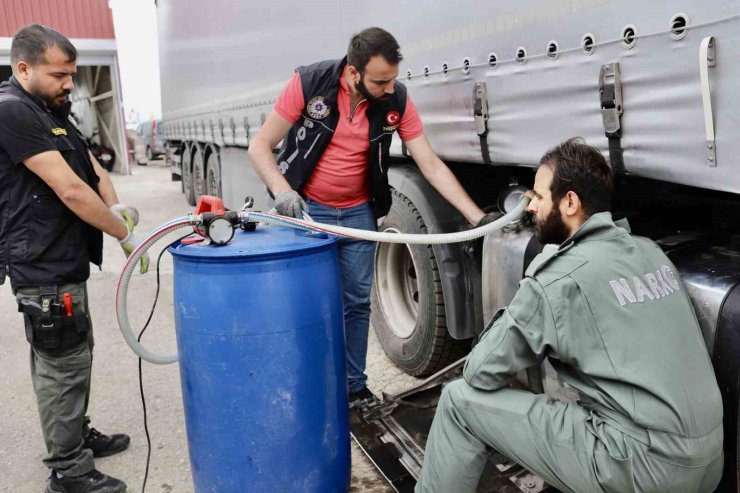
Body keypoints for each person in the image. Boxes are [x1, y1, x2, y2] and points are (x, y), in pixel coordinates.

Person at [415, 138, 724, 493]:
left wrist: (532, 288)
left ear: (570, 202)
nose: (530, 208)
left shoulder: (559, 276)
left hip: (640, 469)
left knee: (457, 402)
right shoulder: (649, 251)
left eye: (539, 197)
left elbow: (480, 372)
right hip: (707, 464)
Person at [248, 27, 495, 403]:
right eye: (380, 80)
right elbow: (260, 146)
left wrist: (477, 218)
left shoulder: (395, 99)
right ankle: (308, 386)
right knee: (308, 303)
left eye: (393, 79)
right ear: (352, 73)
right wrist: (283, 192)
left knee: (357, 303)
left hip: (358, 212)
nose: (389, 88)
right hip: (309, 211)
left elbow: (429, 163)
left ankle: (353, 387)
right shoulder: (310, 83)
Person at [0, 24, 150, 493]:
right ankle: (68, 469)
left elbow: (91, 168)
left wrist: (115, 204)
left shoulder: (52, 110)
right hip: (40, 264)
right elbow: (68, 189)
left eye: (72, 74)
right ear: (23, 68)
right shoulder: (12, 112)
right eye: (59, 74)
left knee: (72, 355)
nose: (69, 84)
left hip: (63, 257)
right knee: (60, 363)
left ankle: (75, 436)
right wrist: (124, 234)